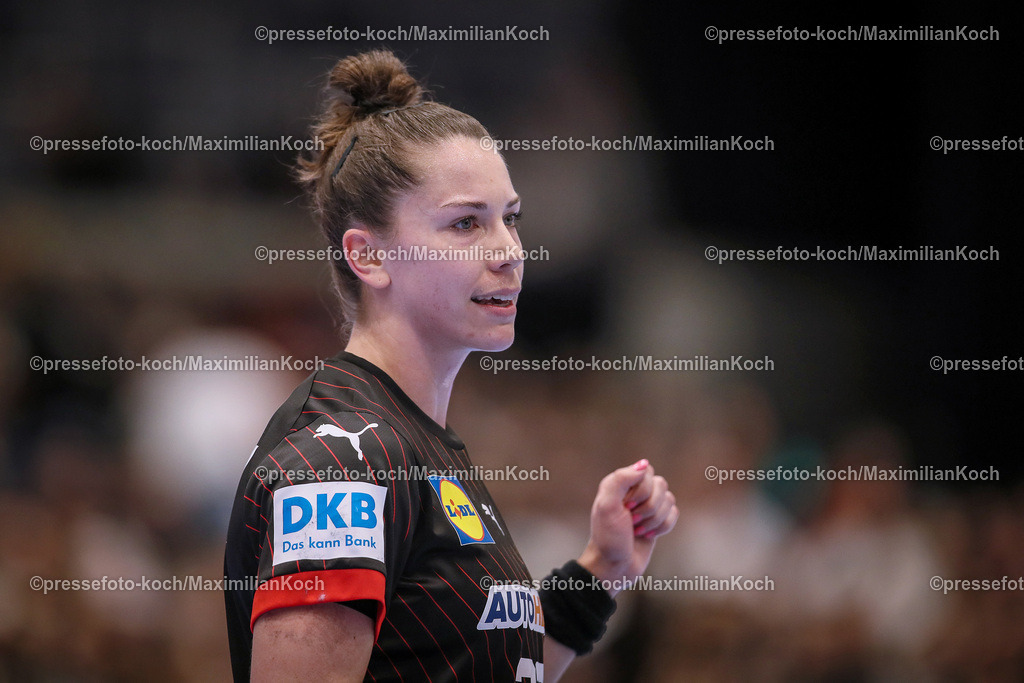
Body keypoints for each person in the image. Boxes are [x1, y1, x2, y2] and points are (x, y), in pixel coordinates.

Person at [224, 49, 678, 682]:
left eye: (510, 219)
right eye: (466, 223)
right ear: (369, 255)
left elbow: (480, 663)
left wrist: (604, 567)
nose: (510, 252)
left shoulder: (420, 445)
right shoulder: (344, 463)